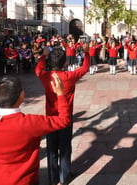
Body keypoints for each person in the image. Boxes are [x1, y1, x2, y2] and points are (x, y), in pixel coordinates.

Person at [0, 74, 70, 185]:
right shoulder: (30, 123)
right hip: (25, 180)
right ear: (21, 96)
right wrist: (60, 94)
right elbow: (64, 120)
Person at [35, 43, 90, 185]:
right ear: (65, 63)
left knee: (51, 149)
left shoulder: (46, 76)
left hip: (50, 118)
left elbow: (38, 69)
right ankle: (65, 176)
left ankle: (53, 178)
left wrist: (43, 55)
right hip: (65, 117)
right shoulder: (69, 76)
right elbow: (85, 68)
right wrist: (87, 53)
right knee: (65, 147)